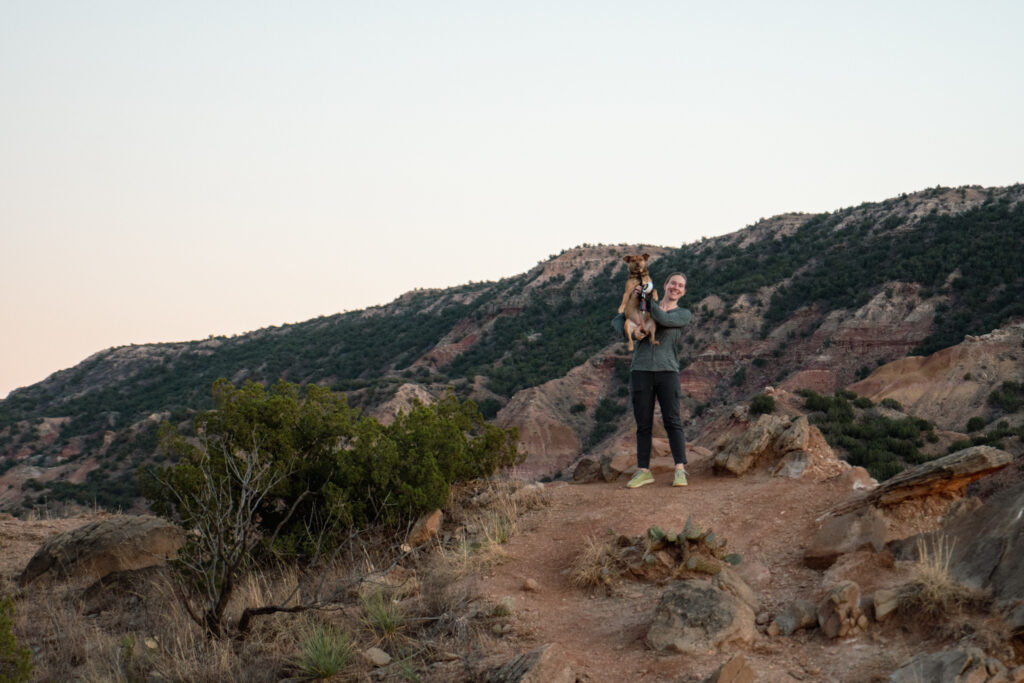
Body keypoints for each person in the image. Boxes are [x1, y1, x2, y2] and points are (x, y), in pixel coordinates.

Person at [611, 272, 692, 488]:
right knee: (643, 423)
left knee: (672, 421)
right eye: (673, 283)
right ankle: (643, 471)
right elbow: (618, 320)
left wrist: (646, 300)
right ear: (665, 285)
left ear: (683, 291)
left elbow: (663, 319)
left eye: (681, 285)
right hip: (641, 370)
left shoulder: (683, 314)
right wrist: (632, 332)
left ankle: (680, 470)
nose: (676, 287)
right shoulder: (644, 308)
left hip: (668, 372)